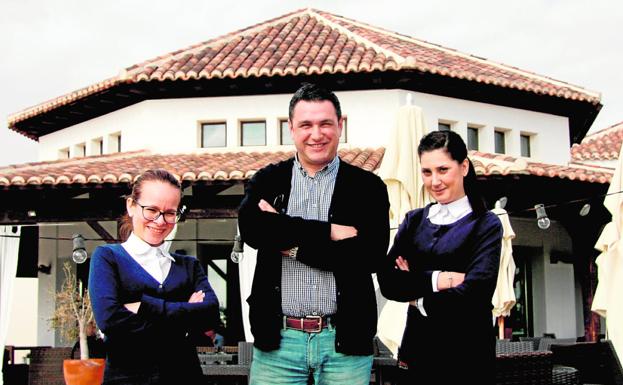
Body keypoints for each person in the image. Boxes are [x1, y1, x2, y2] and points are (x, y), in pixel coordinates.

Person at [238, 83, 390, 385]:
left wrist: (290, 244)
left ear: (340, 126)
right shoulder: (268, 180)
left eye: (325, 124)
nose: (316, 134)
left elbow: (368, 256)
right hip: (278, 342)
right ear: (291, 129)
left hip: (344, 343)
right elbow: (253, 229)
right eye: (306, 124)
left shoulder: (369, 187)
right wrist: (330, 232)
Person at [377, 130, 502, 384]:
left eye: (443, 170)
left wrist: (415, 295)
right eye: (427, 172)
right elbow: (388, 281)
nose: (435, 181)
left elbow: (475, 293)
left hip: (467, 356)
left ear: (464, 166)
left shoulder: (486, 224)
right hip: (417, 350)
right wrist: (439, 279)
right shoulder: (413, 221)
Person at [89, 169, 220, 385]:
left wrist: (144, 306)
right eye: (151, 210)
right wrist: (184, 319)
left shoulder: (189, 265)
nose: (160, 221)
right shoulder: (108, 258)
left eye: (170, 213)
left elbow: (210, 314)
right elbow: (110, 321)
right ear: (131, 206)